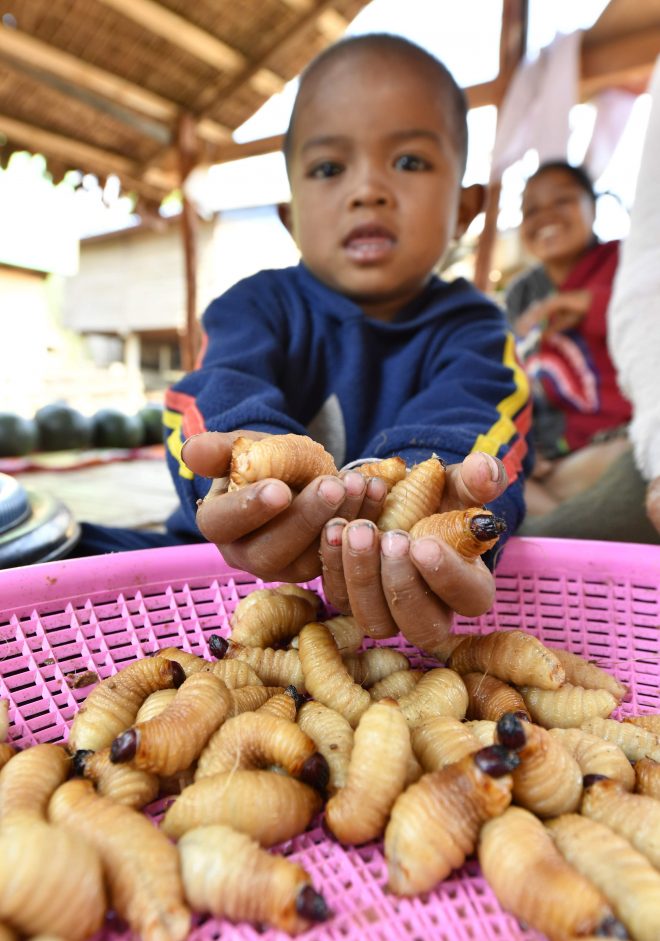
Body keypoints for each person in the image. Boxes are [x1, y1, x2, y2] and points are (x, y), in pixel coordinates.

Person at [76, 34, 532, 648]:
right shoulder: (253, 305)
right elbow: (213, 393)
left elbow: (479, 425)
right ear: (291, 217)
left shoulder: (474, 324)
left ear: (465, 210)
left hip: (405, 597)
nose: (367, 188)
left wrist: (433, 503)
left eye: (409, 162)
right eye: (328, 168)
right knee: (61, 550)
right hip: (218, 572)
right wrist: (249, 460)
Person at [505, 161, 632, 520]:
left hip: (619, 443)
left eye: (562, 201)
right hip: (554, 458)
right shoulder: (521, 293)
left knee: (629, 466)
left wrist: (592, 305)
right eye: (531, 210)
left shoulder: (624, 260)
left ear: (593, 206)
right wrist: (525, 449)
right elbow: (512, 382)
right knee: (497, 481)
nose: (546, 216)